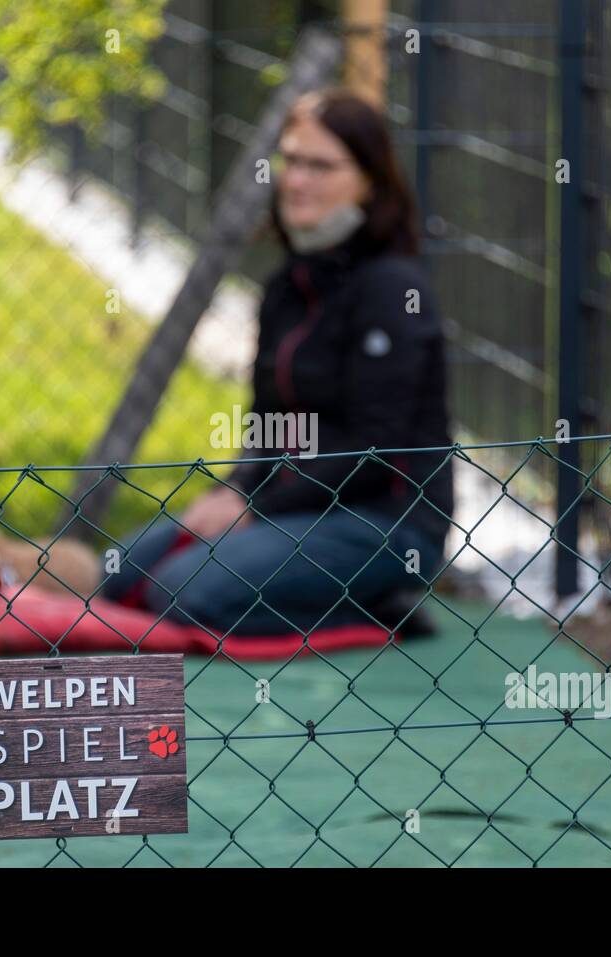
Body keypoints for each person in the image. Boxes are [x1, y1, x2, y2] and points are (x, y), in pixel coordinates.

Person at [101, 88, 455, 636]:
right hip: (292, 507)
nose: (296, 179)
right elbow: (270, 421)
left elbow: (374, 450)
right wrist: (235, 489)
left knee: (183, 592)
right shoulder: (286, 288)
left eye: (321, 165)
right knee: (120, 575)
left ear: (370, 179)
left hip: (386, 521)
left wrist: (253, 508)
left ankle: (382, 608)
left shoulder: (393, 288)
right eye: (292, 160)